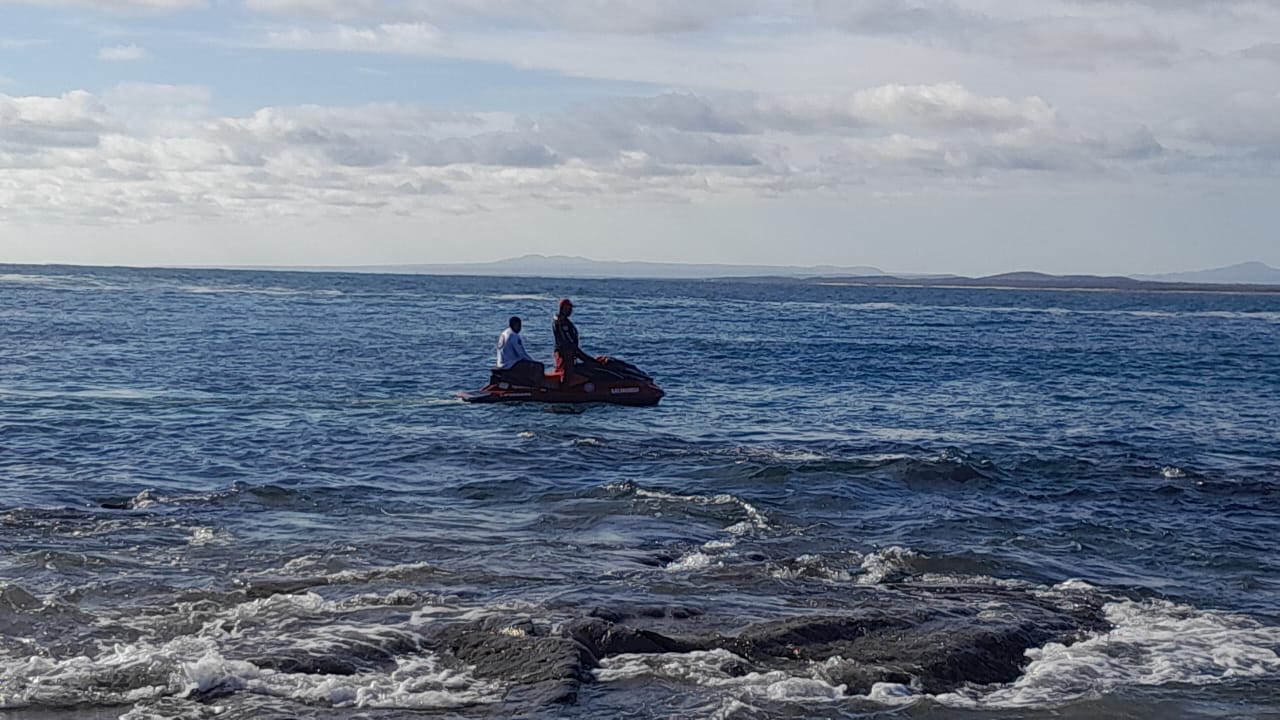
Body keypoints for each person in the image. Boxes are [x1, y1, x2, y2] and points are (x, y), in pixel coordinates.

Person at [552, 298, 596, 385]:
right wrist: (570, 349)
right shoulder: (559, 321)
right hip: (564, 351)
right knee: (565, 372)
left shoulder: (566, 322)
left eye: (571, 308)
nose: (570, 310)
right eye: (568, 308)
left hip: (572, 350)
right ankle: (562, 390)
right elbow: (564, 337)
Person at [495, 316, 542, 383]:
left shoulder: (504, 333)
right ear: (514, 325)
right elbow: (521, 354)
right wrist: (532, 361)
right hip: (509, 364)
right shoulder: (514, 335)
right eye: (519, 326)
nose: (520, 328)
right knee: (538, 366)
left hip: (500, 363)